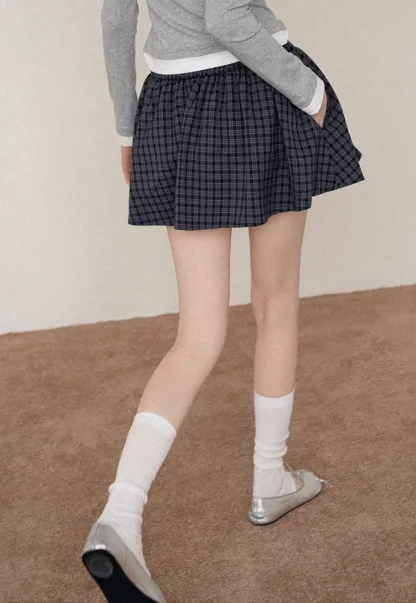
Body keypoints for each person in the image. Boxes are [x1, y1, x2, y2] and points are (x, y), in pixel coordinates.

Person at [81, 1, 365, 601]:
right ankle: (269, 477)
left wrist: (128, 128)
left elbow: (117, 19)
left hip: (173, 104)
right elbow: (228, 19)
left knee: (197, 336)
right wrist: (310, 91)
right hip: (258, 92)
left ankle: (120, 514)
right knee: (275, 303)